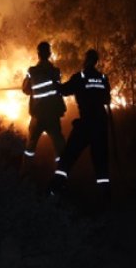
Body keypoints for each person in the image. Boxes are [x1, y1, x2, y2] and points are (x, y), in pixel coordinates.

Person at [48, 49, 112, 199]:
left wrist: (55, 84)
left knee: (68, 156)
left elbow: (64, 90)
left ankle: (56, 188)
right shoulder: (103, 78)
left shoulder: (80, 77)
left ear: (86, 60)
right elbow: (107, 100)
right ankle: (105, 194)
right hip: (101, 124)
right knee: (101, 160)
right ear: (96, 62)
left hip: (86, 124)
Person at [20, 41, 66, 174]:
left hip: (38, 115)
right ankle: (60, 177)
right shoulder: (56, 72)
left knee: (30, 147)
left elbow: (25, 90)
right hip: (53, 115)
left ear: (38, 54)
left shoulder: (32, 71)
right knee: (59, 148)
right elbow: (59, 88)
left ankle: (24, 174)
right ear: (50, 54)